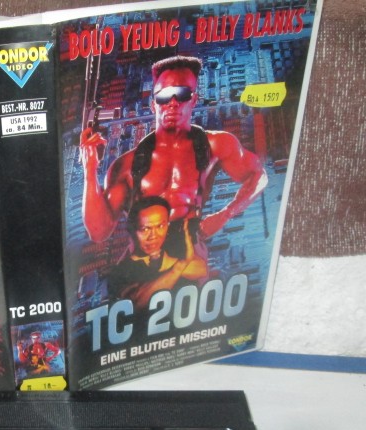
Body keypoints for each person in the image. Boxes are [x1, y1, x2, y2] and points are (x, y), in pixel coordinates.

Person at [80, 55, 267, 260]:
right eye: (164, 96)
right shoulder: (127, 165)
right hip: (141, 267)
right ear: (154, 104)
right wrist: (90, 170)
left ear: (193, 100)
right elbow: (99, 233)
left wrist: (225, 214)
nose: (173, 103)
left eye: (182, 94)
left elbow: (259, 176)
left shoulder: (216, 145)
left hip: (190, 261)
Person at [108, 197, 206, 311]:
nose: (153, 236)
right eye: (145, 229)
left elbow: (202, 270)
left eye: (160, 226)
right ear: (132, 229)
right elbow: (137, 302)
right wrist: (179, 267)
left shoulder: (173, 250)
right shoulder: (121, 271)